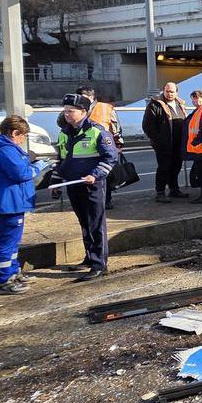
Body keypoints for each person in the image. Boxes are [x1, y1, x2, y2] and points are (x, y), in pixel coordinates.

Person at [0, 115, 47, 295]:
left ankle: (13, 271)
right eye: (23, 135)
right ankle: (4, 280)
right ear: (14, 133)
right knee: (7, 242)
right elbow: (21, 173)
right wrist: (39, 166)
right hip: (10, 202)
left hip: (6, 201)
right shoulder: (7, 150)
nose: (23, 139)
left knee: (12, 241)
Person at [55, 94, 118, 282]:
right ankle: (90, 257)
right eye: (65, 111)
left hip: (92, 186)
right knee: (84, 223)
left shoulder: (97, 132)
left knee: (96, 224)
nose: (66, 115)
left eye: (70, 111)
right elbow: (62, 160)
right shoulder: (64, 133)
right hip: (73, 184)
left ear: (83, 112)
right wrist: (56, 181)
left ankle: (99, 264)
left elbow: (110, 157)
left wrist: (95, 175)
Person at [77, 85, 123, 209]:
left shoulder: (106, 108)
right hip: (83, 150)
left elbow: (116, 128)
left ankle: (106, 200)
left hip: (103, 147)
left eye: (83, 97)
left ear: (91, 97)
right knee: (85, 176)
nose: (81, 100)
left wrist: (118, 145)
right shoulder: (76, 109)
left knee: (104, 175)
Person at [143, 81, 189, 203]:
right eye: (167, 91)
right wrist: (158, 140)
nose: (169, 94)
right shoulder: (155, 105)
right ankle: (160, 192)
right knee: (163, 168)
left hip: (178, 143)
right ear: (163, 91)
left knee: (176, 167)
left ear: (177, 92)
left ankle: (174, 189)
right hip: (163, 144)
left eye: (172, 92)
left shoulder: (180, 104)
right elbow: (147, 126)